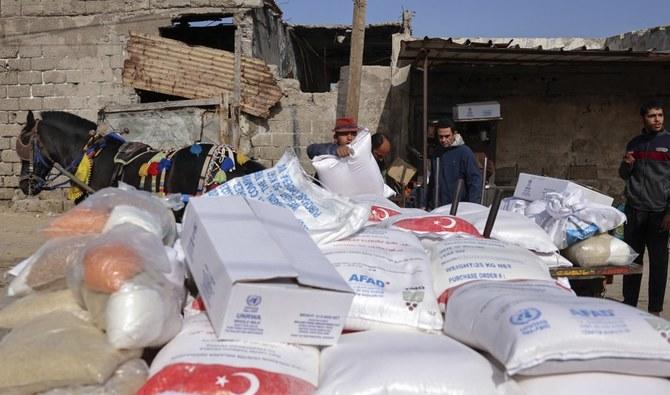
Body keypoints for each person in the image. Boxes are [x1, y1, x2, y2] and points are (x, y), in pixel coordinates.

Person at [619, 99, 670, 316]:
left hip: (659, 213)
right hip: (636, 211)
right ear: (644, 118)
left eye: (660, 115)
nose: (657, 119)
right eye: (652, 116)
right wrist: (626, 165)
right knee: (632, 262)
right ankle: (629, 305)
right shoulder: (635, 143)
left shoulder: (668, 142)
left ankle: (655, 310)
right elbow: (624, 175)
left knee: (658, 264)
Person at [427, 118, 482, 208]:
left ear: (454, 134)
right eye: (440, 136)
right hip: (438, 207)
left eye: (447, 136)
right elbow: (433, 181)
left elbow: (474, 181)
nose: (443, 140)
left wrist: (473, 207)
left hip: (459, 207)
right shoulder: (437, 153)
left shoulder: (465, 153)